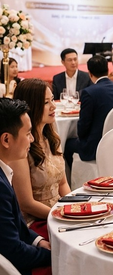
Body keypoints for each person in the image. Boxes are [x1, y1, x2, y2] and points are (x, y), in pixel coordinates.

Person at [0, 98, 53, 275]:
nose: (31, 139)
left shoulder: (4, 171)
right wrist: (52, 255)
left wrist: (37, 241)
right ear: (6, 139)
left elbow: (14, 227)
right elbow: (11, 250)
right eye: (28, 133)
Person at [12, 79, 70, 225]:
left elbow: (62, 184)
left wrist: (73, 210)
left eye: (52, 99)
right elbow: (26, 203)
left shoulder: (52, 138)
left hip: (58, 213)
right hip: (35, 220)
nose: (53, 106)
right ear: (31, 106)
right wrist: (61, 216)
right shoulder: (21, 147)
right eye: (46, 102)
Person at [64, 55, 113, 165]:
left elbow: (83, 126)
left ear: (90, 73)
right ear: (107, 70)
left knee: (66, 144)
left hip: (96, 147)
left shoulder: (89, 92)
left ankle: (72, 176)